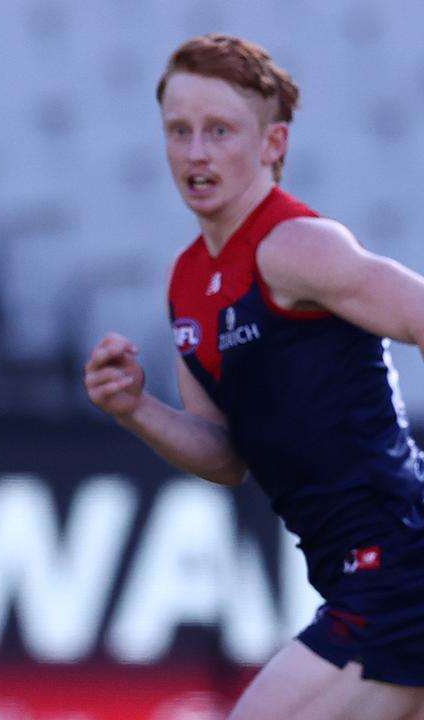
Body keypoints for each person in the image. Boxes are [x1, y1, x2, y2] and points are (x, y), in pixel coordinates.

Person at [84, 33, 424, 719]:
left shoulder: (297, 246)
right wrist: (137, 409)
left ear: (273, 144)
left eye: (219, 131)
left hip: (396, 572)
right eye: (179, 131)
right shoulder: (188, 282)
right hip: (359, 575)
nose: (195, 152)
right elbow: (225, 455)